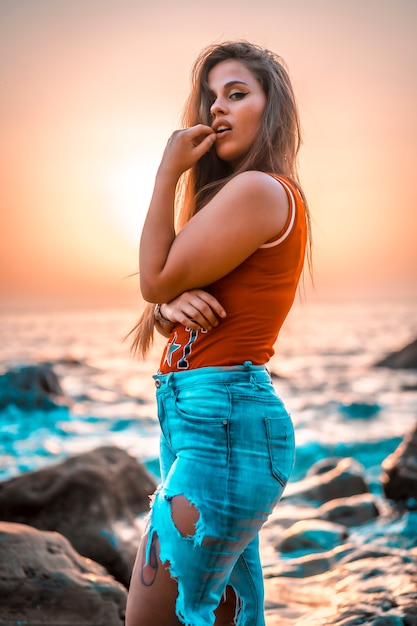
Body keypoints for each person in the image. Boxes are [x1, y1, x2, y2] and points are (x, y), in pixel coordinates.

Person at [125, 40, 311, 626]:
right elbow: (167, 298)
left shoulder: (259, 190)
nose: (217, 110)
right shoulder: (238, 199)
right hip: (204, 423)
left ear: (271, 109)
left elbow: (154, 278)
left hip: (223, 426)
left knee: (148, 621)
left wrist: (166, 171)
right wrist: (166, 307)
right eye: (210, 99)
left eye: (236, 94)